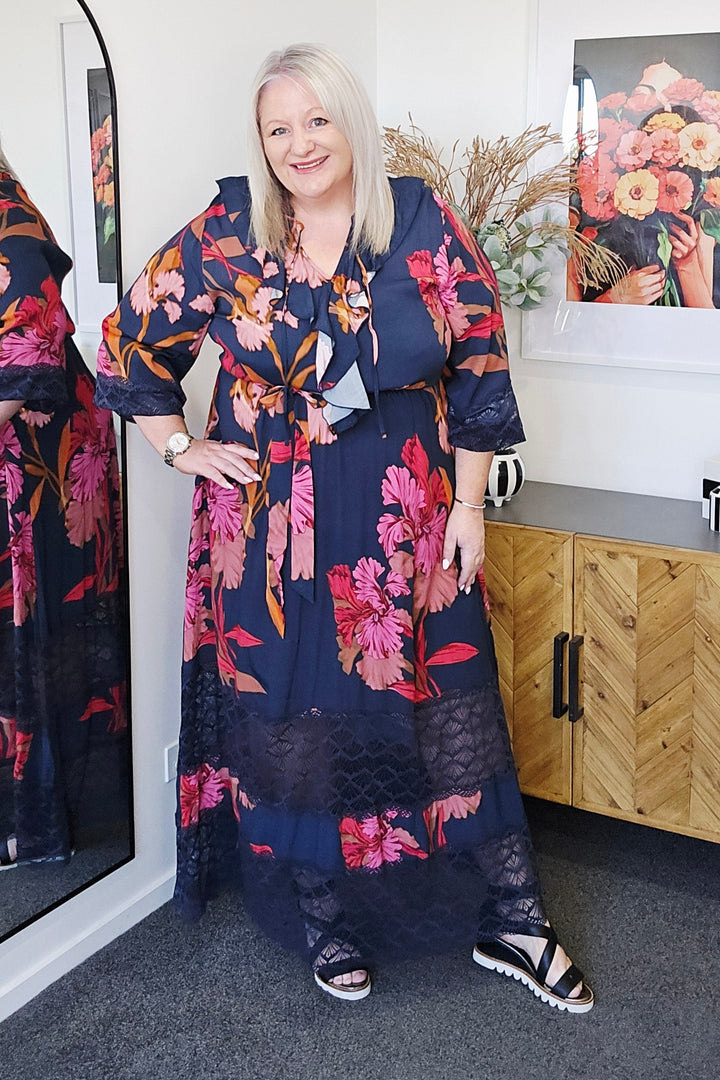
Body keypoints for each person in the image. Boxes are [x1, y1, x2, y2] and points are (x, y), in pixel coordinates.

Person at [96, 44, 593, 1011]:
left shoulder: (418, 220)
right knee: (295, 714)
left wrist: (470, 509)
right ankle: (325, 911)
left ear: (350, 122)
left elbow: (481, 365)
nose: (297, 144)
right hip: (268, 524)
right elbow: (132, 338)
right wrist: (176, 447)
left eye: (315, 121)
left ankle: (513, 917)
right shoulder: (230, 228)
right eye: (277, 129)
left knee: (453, 701)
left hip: (407, 519)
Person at [0, 148, 127, 868]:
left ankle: (39, 814)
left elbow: (23, 362)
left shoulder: (14, 233)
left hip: (41, 465)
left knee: (37, 629)